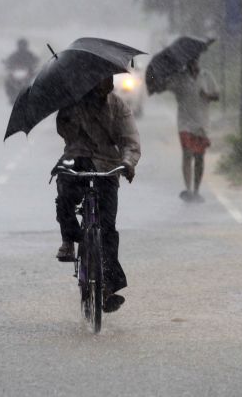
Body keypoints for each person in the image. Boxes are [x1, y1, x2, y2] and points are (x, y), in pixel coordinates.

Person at [53, 76, 140, 313]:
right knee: (64, 194)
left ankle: (109, 287)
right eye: (101, 80)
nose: (107, 84)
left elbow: (130, 141)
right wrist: (69, 112)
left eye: (109, 80)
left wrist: (128, 163)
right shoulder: (73, 103)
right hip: (77, 158)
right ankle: (68, 240)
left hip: (107, 166)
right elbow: (64, 132)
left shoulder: (118, 106)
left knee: (108, 229)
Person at [166, 58, 219, 202]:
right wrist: (171, 72)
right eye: (190, 61)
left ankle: (196, 190)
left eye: (195, 61)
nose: (193, 64)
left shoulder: (206, 76)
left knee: (199, 158)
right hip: (185, 123)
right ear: (186, 63)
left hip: (202, 124)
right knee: (187, 154)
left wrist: (207, 96)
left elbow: (217, 95)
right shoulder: (179, 78)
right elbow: (166, 85)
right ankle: (188, 190)